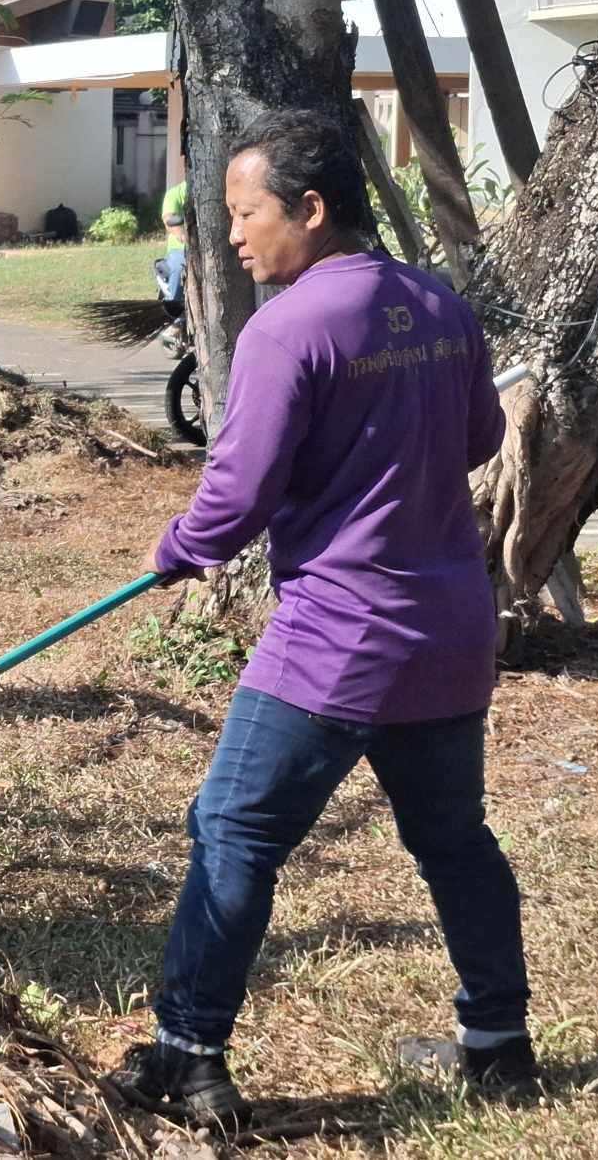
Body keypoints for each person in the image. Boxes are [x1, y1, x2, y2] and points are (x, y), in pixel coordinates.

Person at [112, 110, 532, 1130]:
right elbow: (480, 438)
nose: (235, 237)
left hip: (337, 640)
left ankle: (187, 1055)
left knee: (235, 833)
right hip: (448, 635)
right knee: (454, 841)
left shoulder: (288, 326)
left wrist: (178, 547)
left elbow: (237, 493)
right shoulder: (436, 303)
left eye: (247, 213)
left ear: (311, 207)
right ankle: (499, 1047)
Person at [160, 175, 189, 303]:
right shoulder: (174, 194)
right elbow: (168, 218)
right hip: (180, 248)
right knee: (178, 269)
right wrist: (182, 235)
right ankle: (173, 314)